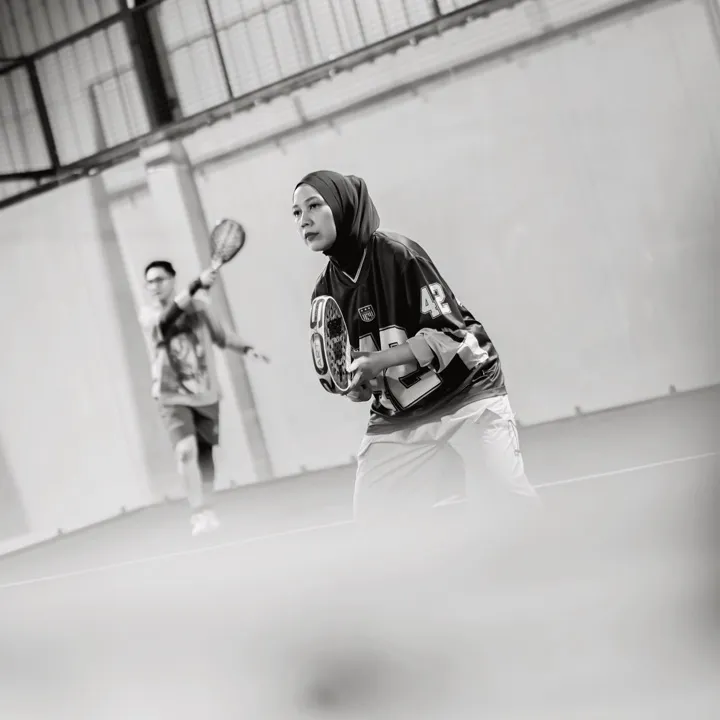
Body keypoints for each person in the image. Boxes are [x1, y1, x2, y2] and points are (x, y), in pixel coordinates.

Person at [292, 170, 539, 524]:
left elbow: (451, 337)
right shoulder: (325, 292)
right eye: (297, 212)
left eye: (314, 205)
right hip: (401, 414)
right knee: (374, 525)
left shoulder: (399, 254)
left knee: (510, 503)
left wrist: (378, 360)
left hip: (466, 394)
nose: (304, 219)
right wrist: (357, 385)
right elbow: (366, 384)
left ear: (342, 205)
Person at [139, 260, 264, 535]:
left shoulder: (199, 307)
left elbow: (221, 336)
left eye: (159, 279)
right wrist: (196, 284)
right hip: (171, 396)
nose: (154, 286)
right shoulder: (148, 315)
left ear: (172, 279)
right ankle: (197, 512)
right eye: (149, 282)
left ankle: (208, 509)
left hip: (206, 393)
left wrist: (247, 348)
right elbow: (165, 321)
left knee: (205, 454)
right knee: (186, 451)